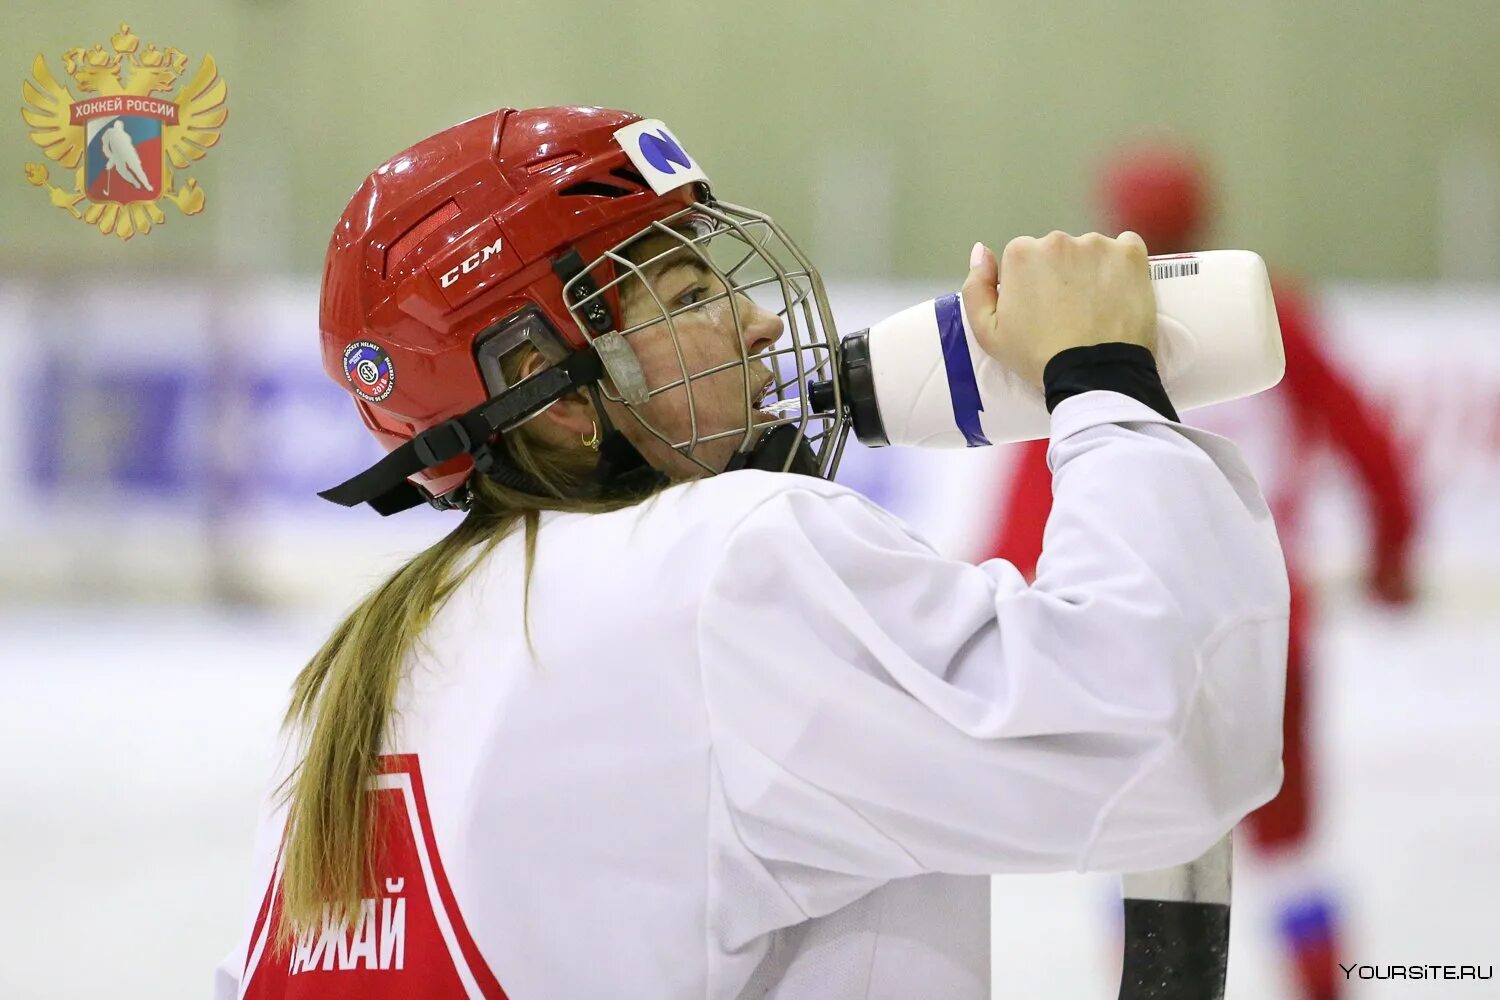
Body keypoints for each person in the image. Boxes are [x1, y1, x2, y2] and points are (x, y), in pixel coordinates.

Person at [215, 107, 1290, 1000]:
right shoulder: (722, 563)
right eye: (688, 297)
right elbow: (1161, 739)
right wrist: (1103, 376)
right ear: (545, 389)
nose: (758, 325)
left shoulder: (362, 670)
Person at [985, 139, 1417, 1000]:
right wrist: (1392, 560)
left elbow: (1036, 480)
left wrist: (998, 590)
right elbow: (1372, 446)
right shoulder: (1272, 311)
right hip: (1269, 621)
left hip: (1137, 631)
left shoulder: (1084, 327)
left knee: (1145, 844)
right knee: (1291, 851)